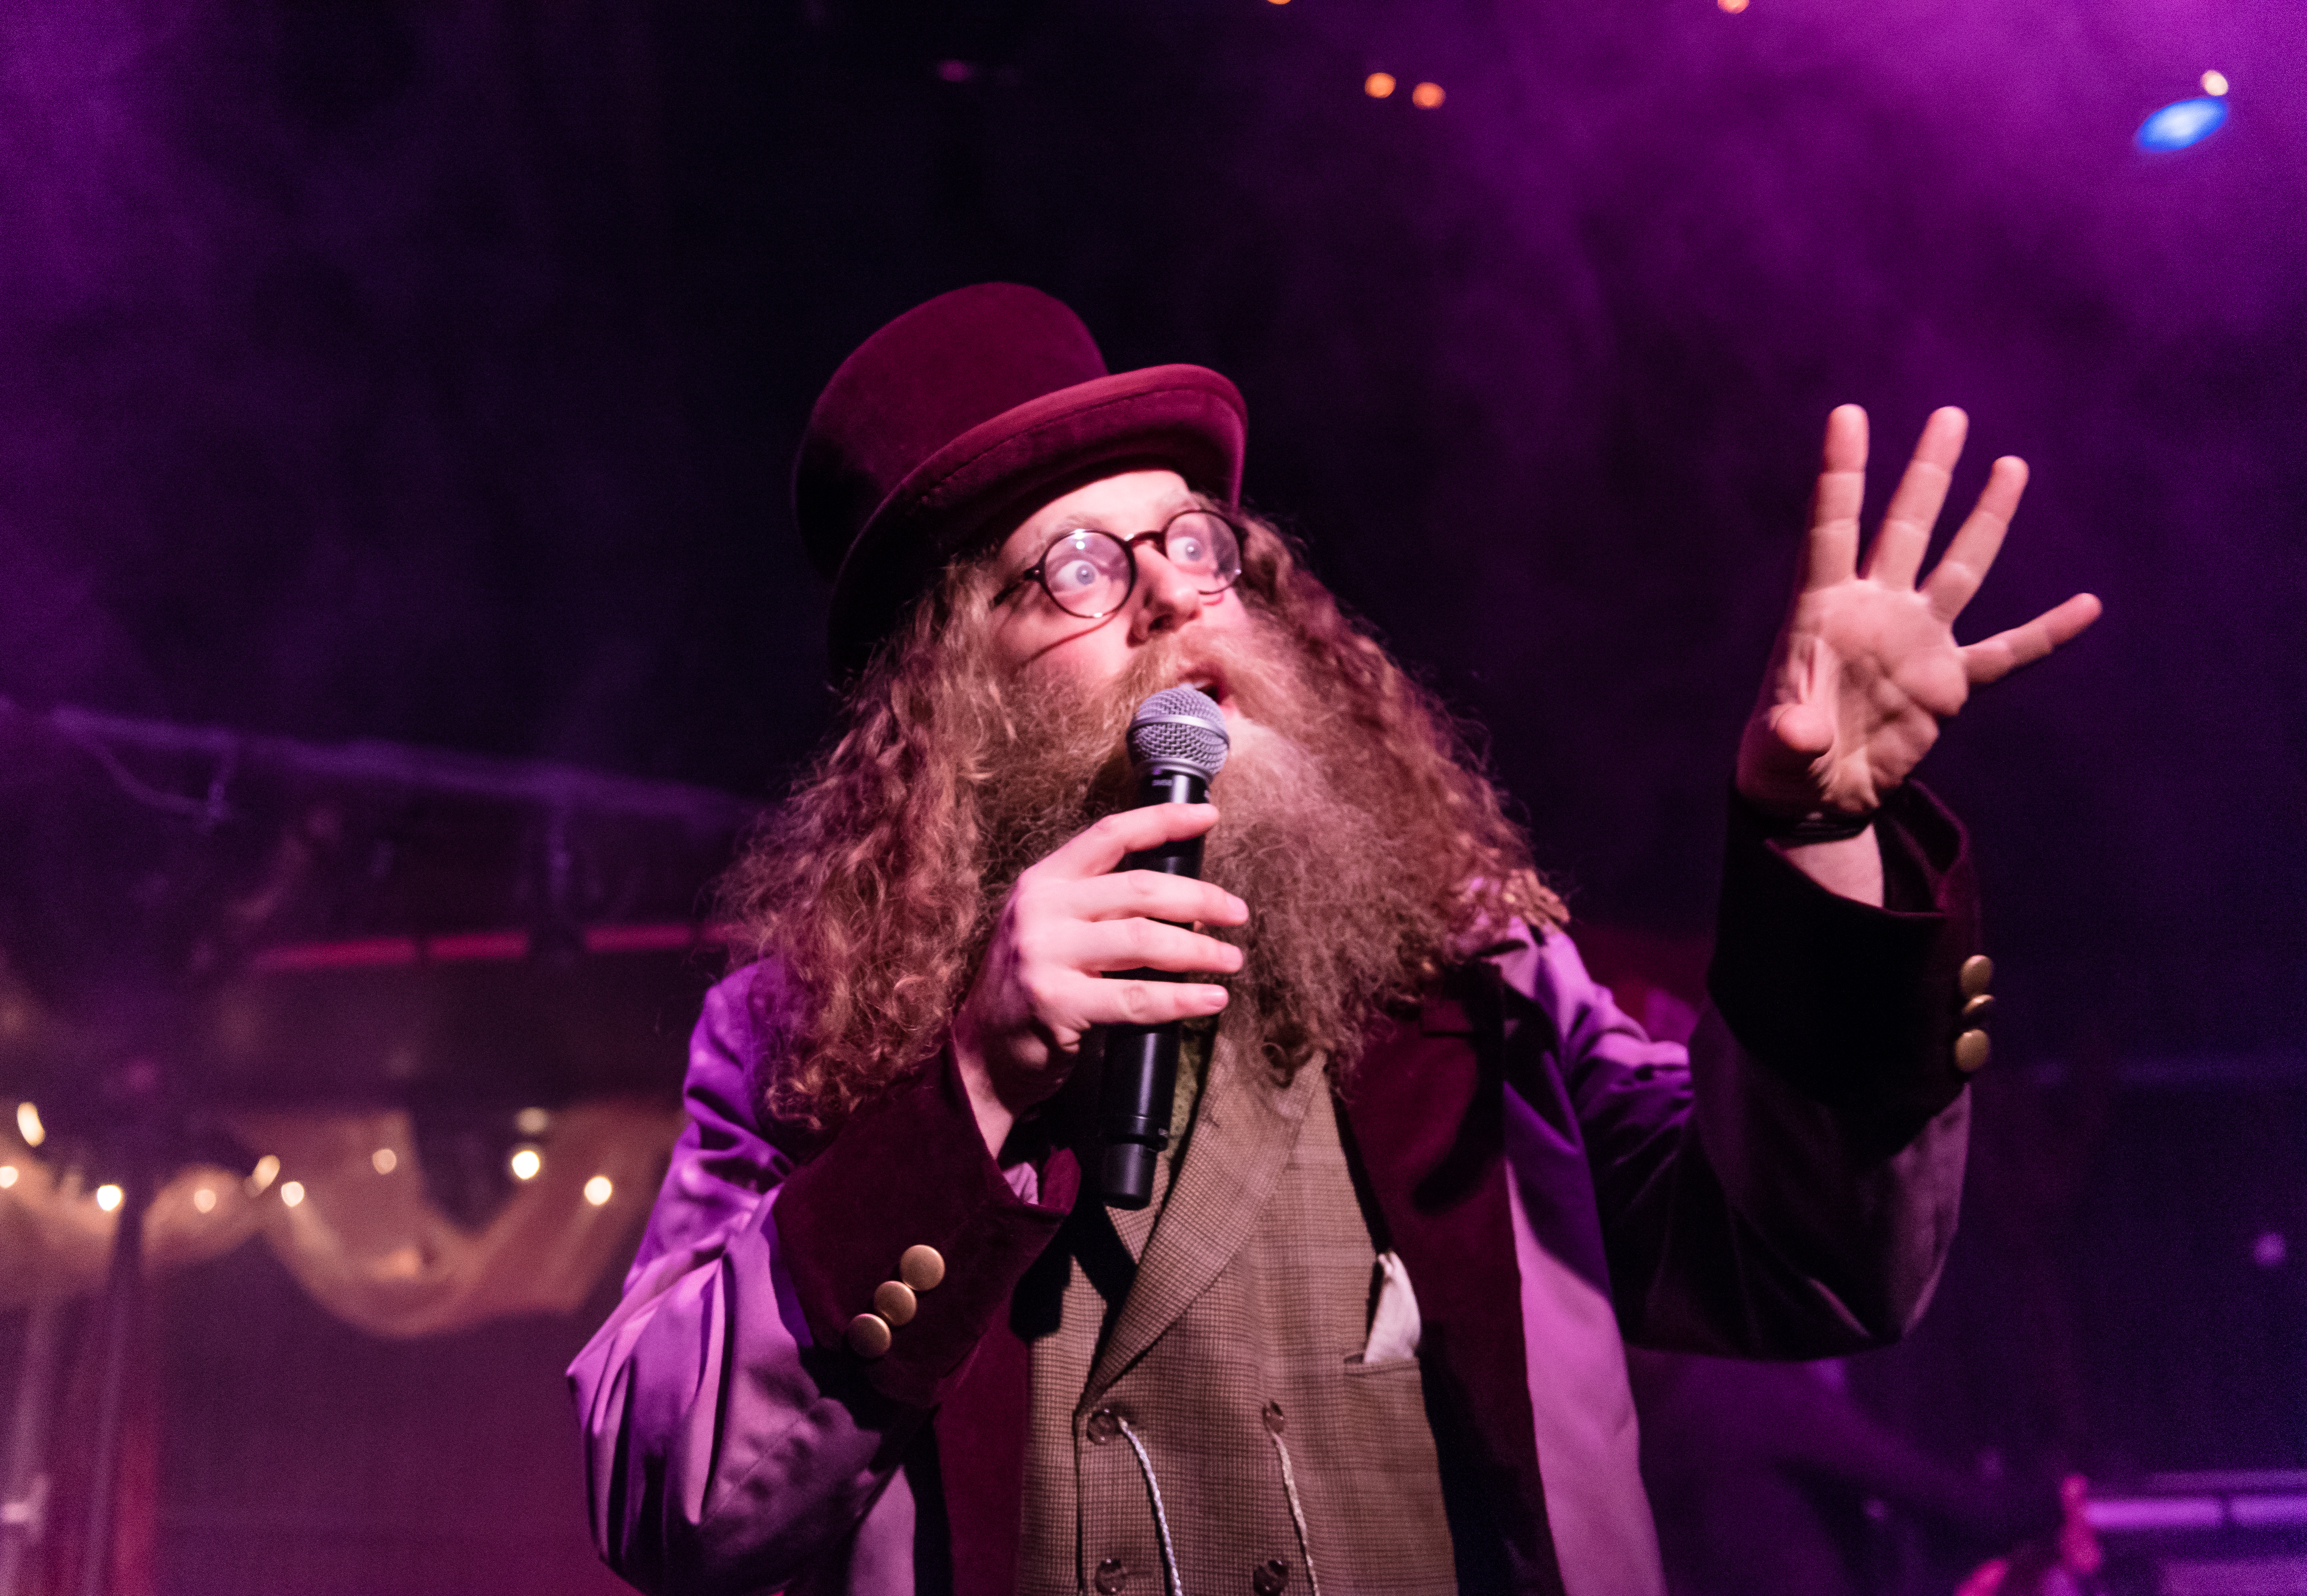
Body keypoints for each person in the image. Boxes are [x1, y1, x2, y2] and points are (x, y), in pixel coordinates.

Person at [568, 283, 2100, 1596]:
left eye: (1188, 539)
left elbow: (1812, 1264)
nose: (1177, 594)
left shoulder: (1469, 976)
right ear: (952, 696)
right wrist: (968, 1084)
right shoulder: (807, 1033)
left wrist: (1814, 835)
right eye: (1084, 568)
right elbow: (664, 1490)